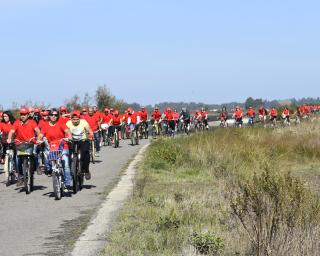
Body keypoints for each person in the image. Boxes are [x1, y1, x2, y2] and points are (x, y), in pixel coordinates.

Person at [7, 107, 43, 186]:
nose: (22, 116)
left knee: (34, 153)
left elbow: (37, 131)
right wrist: (9, 138)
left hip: (30, 142)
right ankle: (21, 177)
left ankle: (37, 166)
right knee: (17, 160)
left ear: (28, 115)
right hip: (20, 144)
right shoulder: (17, 122)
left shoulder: (32, 122)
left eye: (24, 114)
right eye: (21, 114)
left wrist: (39, 139)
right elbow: (11, 131)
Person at [40, 109, 72, 190]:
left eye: (55, 115)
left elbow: (67, 131)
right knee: (48, 162)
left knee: (66, 164)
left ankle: (68, 182)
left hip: (62, 146)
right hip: (52, 147)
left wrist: (69, 137)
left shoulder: (61, 124)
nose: (53, 116)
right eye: (52, 115)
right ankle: (54, 175)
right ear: (49, 116)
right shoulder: (45, 126)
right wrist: (38, 140)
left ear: (57, 116)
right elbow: (40, 135)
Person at [66, 110, 93, 180]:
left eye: (77, 119)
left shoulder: (83, 122)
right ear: (71, 119)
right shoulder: (68, 123)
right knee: (67, 153)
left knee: (86, 154)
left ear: (79, 118)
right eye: (73, 119)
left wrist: (91, 135)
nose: (75, 121)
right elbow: (64, 131)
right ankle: (70, 168)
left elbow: (89, 130)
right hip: (72, 141)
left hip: (83, 140)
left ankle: (86, 170)